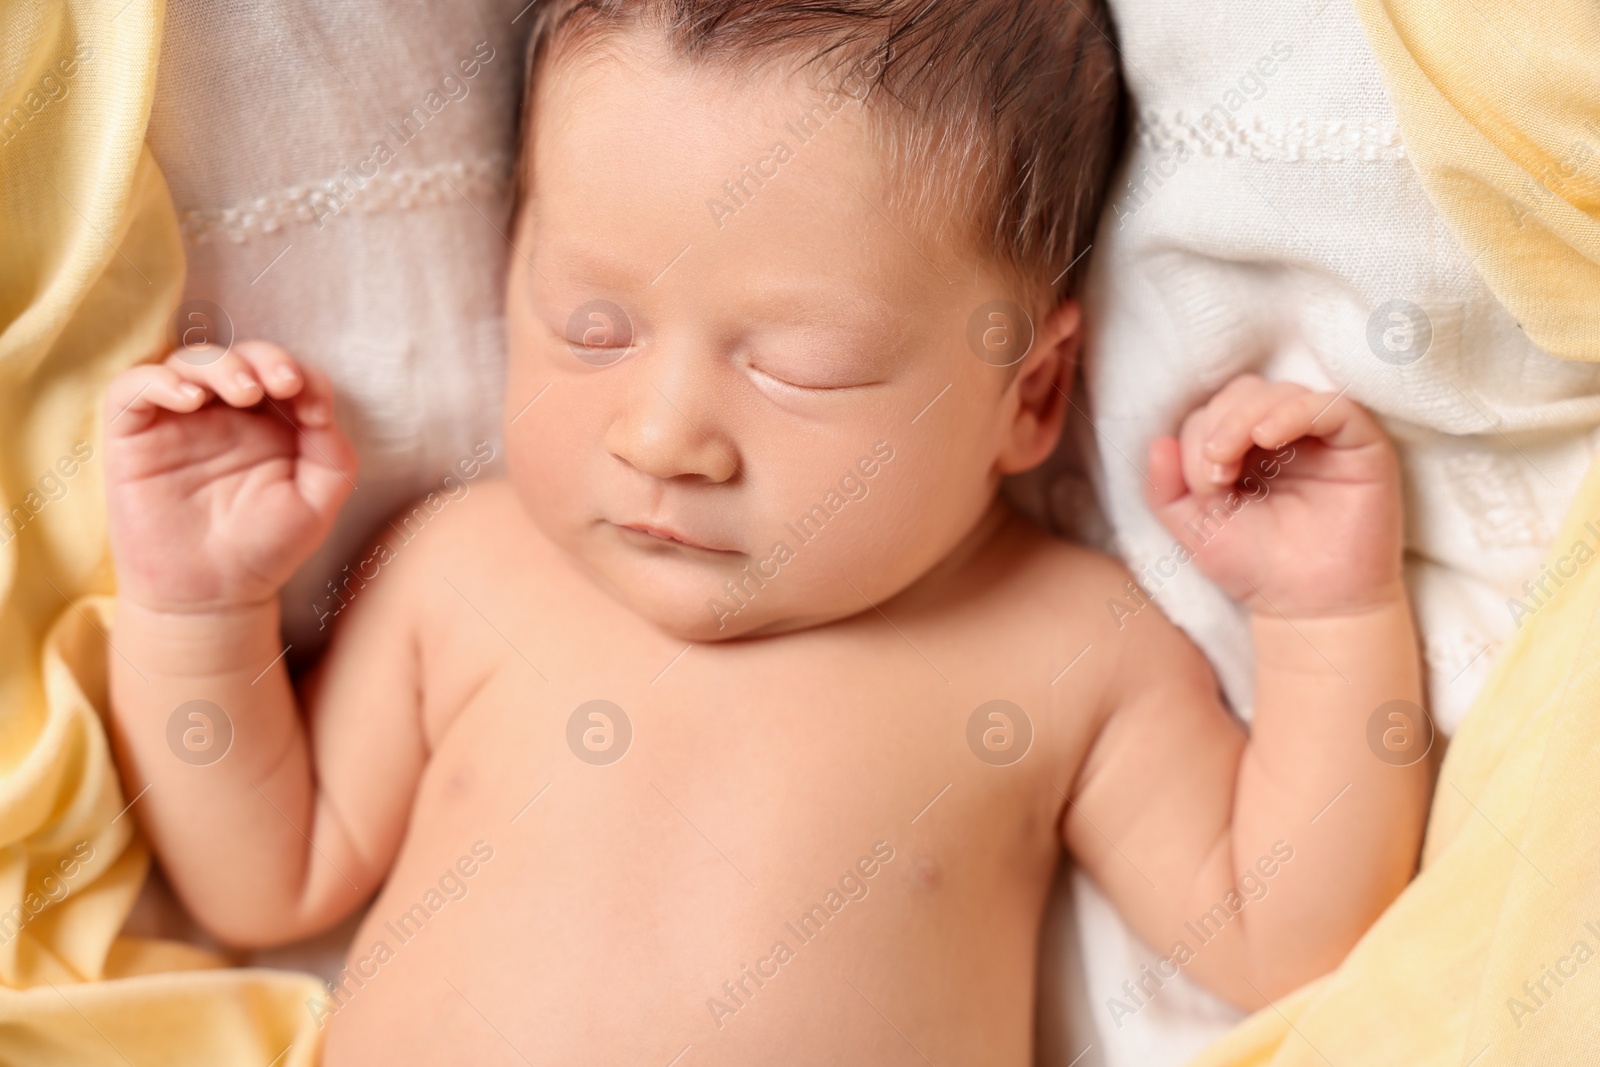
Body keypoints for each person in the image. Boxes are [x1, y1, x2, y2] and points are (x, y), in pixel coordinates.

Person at [101, 1, 1430, 1062]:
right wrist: (199, 609)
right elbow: (263, 879)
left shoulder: (1063, 644)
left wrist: (1326, 616)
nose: (665, 434)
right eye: (591, 329)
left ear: (1029, 392)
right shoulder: (465, 570)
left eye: (803, 365)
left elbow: (1283, 941)